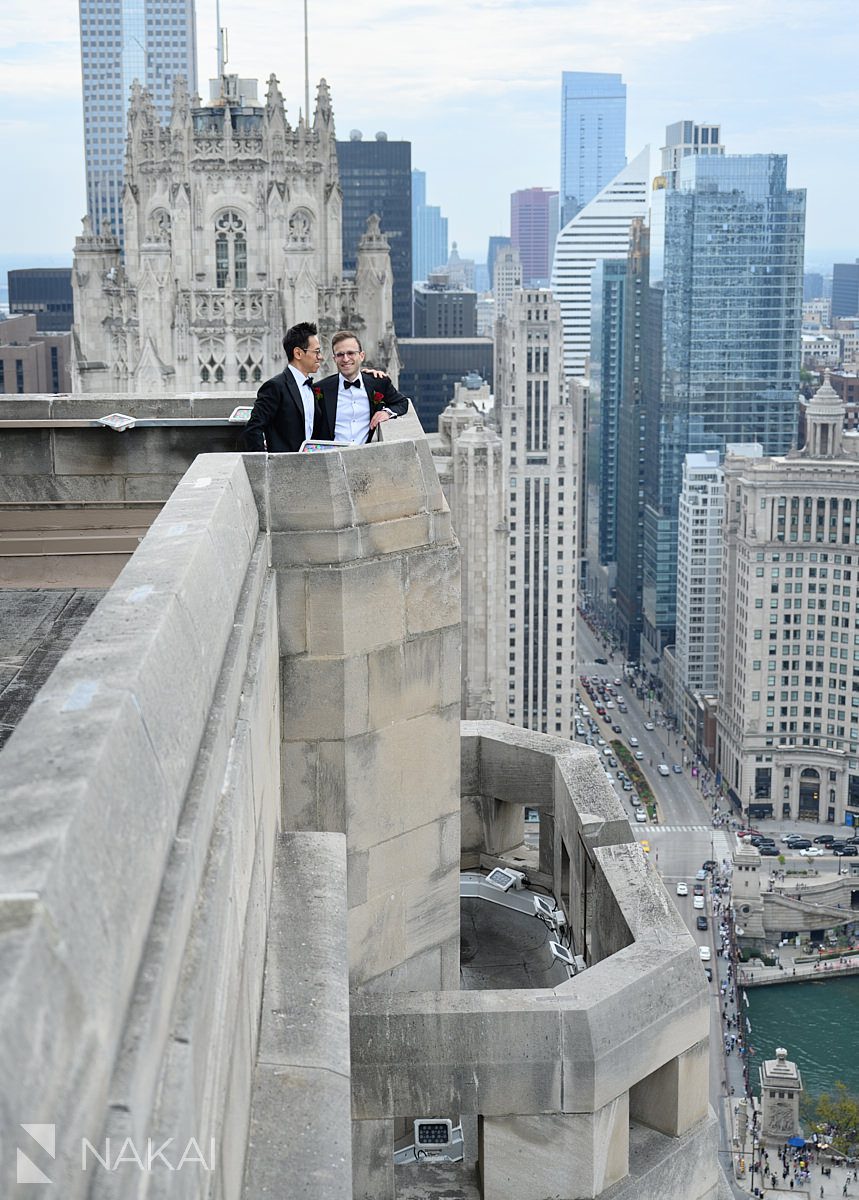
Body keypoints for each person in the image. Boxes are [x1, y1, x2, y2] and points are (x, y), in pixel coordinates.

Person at [313, 330, 409, 443]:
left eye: (350, 353)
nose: (345, 359)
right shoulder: (320, 389)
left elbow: (402, 403)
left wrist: (386, 412)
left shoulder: (378, 383)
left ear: (361, 356)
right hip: (331, 456)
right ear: (334, 359)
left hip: (364, 456)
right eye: (340, 354)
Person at [243, 321, 323, 452]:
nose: (320, 357)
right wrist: (264, 465)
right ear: (298, 353)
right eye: (316, 351)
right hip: (282, 467)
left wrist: (369, 376)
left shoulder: (313, 387)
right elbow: (253, 429)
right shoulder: (275, 386)